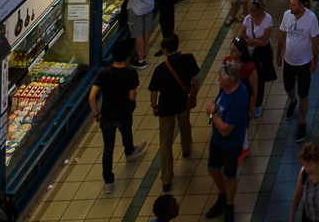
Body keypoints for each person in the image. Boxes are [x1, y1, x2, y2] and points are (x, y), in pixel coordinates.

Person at [148, 33, 201, 193]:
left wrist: (154, 106)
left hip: (166, 107)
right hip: (183, 102)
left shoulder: (160, 69)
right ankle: (186, 147)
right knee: (185, 125)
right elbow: (195, 80)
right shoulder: (189, 59)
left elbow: (153, 92)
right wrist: (193, 95)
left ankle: (166, 179)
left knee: (165, 142)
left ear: (164, 50)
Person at [89, 49, 145, 193]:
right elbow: (132, 96)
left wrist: (96, 115)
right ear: (126, 57)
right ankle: (129, 151)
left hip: (107, 116)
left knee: (108, 149)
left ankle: (108, 182)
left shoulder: (103, 73)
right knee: (126, 133)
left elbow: (91, 97)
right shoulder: (131, 73)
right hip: (124, 113)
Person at [205, 61, 249, 221]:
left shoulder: (238, 99)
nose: (218, 81)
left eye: (220, 79)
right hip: (217, 140)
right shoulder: (227, 89)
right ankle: (222, 196)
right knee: (212, 168)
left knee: (230, 177)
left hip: (230, 143)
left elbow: (225, 130)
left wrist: (212, 113)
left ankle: (229, 206)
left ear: (228, 81)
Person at [277, 0, 319, 142]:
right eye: (290, 4)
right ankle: (292, 101)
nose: (290, 7)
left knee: (304, 93)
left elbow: (315, 42)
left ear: (302, 7)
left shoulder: (311, 19)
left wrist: (314, 62)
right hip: (289, 61)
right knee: (288, 87)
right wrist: (278, 55)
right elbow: (282, 35)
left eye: (293, 5)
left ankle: (302, 122)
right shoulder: (287, 15)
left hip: (304, 63)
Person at [243, 0, 276, 115]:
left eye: (252, 10)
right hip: (249, 54)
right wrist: (254, 42)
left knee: (259, 80)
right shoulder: (247, 19)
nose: (249, 11)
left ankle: (257, 104)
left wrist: (250, 41)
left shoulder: (267, 19)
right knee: (247, 79)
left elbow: (264, 41)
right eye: (249, 9)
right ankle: (248, 101)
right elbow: (242, 38)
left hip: (261, 54)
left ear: (259, 11)